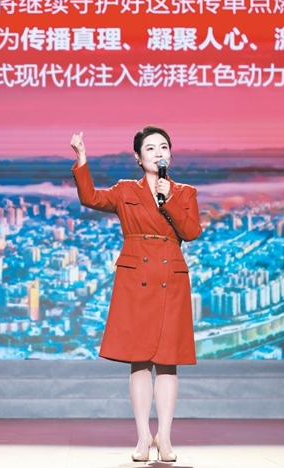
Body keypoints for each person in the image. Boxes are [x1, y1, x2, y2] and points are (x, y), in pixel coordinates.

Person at [69, 126, 202, 463]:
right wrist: (82, 159)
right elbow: (91, 198)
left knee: (168, 361)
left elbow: (191, 232)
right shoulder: (125, 190)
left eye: (164, 147)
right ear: (138, 158)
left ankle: (165, 437)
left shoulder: (185, 192)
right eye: (151, 148)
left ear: (171, 154)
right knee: (139, 360)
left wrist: (170, 199)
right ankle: (144, 436)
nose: (159, 153)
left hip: (171, 277)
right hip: (136, 277)